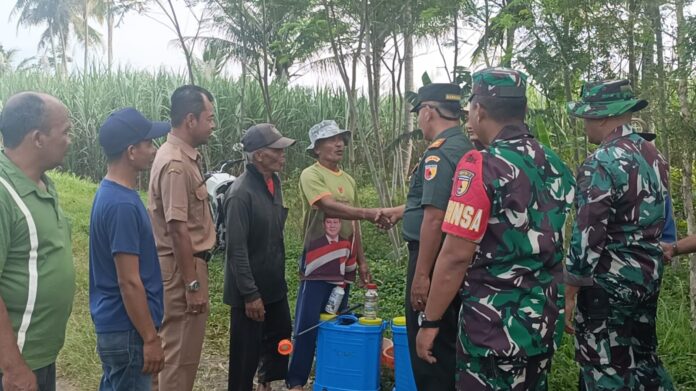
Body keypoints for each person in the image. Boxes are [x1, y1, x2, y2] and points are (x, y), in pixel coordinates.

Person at [415, 68, 575, 390]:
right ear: (523, 110)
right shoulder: (555, 164)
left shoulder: (481, 166)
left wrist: (430, 321)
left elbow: (456, 256)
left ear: (479, 109)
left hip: (493, 330)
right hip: (541, 323)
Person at [564, 79, 674, 390]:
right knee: (644, 361)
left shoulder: (601, 161)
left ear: (600, 116)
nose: (585, 125)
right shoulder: (653, 155)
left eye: (586, 117)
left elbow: (587, 236)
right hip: (647, 277)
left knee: (604, 366)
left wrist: (570, 290)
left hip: (607, 286)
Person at [381, 83, 473, 390]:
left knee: (429, 346)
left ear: (428, 111)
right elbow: (441, 203)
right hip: (454, 257)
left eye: (420, 113)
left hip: (432, 258)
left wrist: (421, 276)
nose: (420, 120)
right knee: (449, 342)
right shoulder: (467, 148)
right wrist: (402, 211)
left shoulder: (440, 153)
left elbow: (434, 219)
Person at [286, 120, 386, 390]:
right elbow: (328, 206)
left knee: (339, 321)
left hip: (344, 264)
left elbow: (353, 225)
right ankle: (296, 381)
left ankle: (333, 375)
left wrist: (362, 261)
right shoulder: (311, 174)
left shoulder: (349, 180)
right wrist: (367, 213)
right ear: (317, 148)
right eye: (331, 139)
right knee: (307, 324)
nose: (339, 143)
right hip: (318, 261)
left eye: (341, 138)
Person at [89, 108, 171, 390]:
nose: (153, 150)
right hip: (129, 330)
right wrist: (150, 338)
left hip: (118, 326)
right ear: (131, 151)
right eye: (148, 144)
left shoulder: (111, 193)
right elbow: (128, 281)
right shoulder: (122, 204)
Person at [0, 92, 75, 391]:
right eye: (65, 132)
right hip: (17, 360)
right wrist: (13, 366)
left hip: (40, 354)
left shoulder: (43, 183)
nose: (69, 140)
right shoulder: (4, 194)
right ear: (38, 138)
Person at [147, 85, 216, 391]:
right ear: (191, 120)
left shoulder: (180, 157)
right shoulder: (176, 163)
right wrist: (192, 285)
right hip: (181, 270)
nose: (212, 125)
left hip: (180, 267)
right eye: (209, 118)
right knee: (178, 360)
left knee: (173, 356)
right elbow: (178, 229)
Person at [223, 124, 296, 391]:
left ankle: (267, 383)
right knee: (245, 357)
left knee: (279, 340)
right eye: (277, 150)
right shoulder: (240, 194)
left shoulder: (273, 182)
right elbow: (236, 250)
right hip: (249, 293)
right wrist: (251, 295)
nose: (283, 154)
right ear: (259, 156)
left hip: (274, 285)